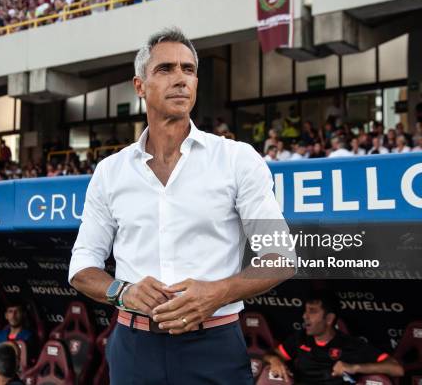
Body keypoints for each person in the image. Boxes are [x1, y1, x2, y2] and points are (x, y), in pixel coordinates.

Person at [68, 27, 296, 385]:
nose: (181, 79)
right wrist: (122, 291)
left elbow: (281, 258)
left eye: (188, 70)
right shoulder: (110, 171)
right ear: (140, 86)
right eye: (166, 69)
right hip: (132, 347)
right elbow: (82, 266)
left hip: (214, 346)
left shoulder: (236, 159)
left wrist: (216, 293)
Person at [263, 291, 404, 384]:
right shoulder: (300, 339)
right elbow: (270, 354)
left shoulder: (349, 345)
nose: (305, 316)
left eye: (312, 312)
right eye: (305, 311)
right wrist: (275, 360)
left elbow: (397, 369)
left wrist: (354, 367)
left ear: (329, 319)